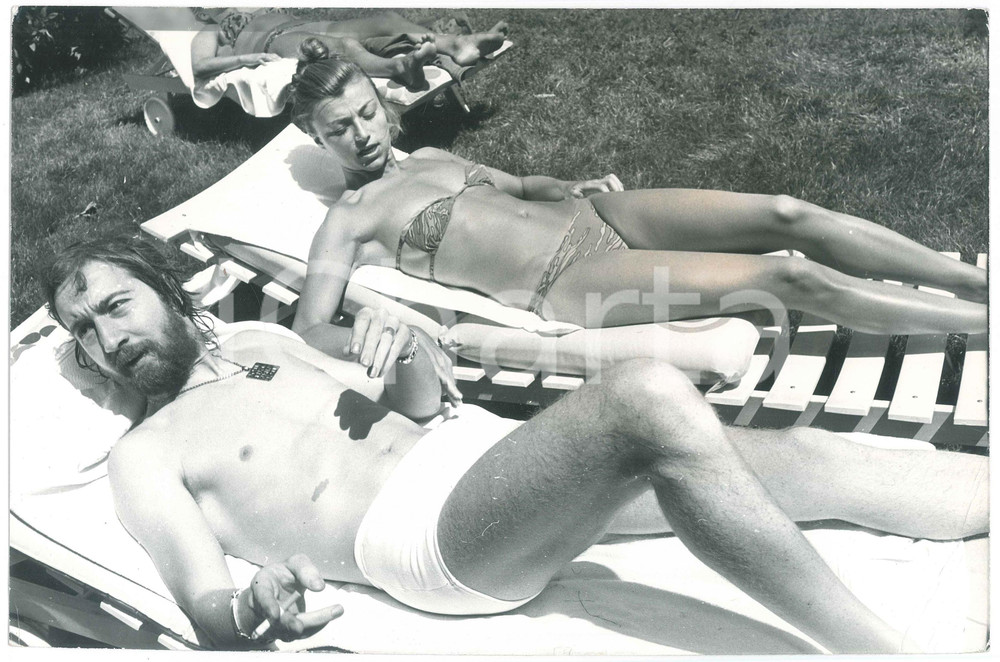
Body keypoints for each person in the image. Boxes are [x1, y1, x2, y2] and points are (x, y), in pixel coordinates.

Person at [43, 236, 987, 653]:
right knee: (647, 398)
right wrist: (253, 605)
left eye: (116, 305)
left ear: (168, 292)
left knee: (807, 462)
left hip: (489, 459)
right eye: (84, 331)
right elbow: (206, 609)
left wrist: (406, 352)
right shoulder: (144, 454)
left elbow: (414, 408)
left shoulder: (263, 340)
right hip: (427, 537)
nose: (106, 337)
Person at [285, 45, 987, 352]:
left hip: (596, 215)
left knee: (786, 212)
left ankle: (976, 282)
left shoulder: (433, 159)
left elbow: (520, 188)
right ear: (315, 137)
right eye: (338, 129)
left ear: (382, 103)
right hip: (568, 281)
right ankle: (984, 324)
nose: (362, 134)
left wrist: (569, 187)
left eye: (367, 112)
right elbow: (311, 328)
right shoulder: (349, 223)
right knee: (787, 278)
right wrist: (380, 341)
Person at [191, 8, 509, 91]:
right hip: (274, 41)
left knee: (386, 20)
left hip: (305, 24)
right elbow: (200, 66)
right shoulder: (211, 30)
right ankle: (400, 68)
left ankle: (457, 45)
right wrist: (249, 57)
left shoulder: (256, 8)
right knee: (343, 47)